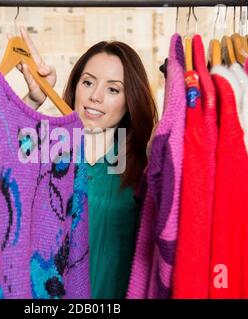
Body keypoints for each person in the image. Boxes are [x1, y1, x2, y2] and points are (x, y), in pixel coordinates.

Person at [9, 27, 158, 299]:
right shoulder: (50, 147)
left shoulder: (142, 162)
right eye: (88, 82)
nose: (95, 97)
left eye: (113, 89)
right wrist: (35, 98)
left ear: (129, 101)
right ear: (76, 85)